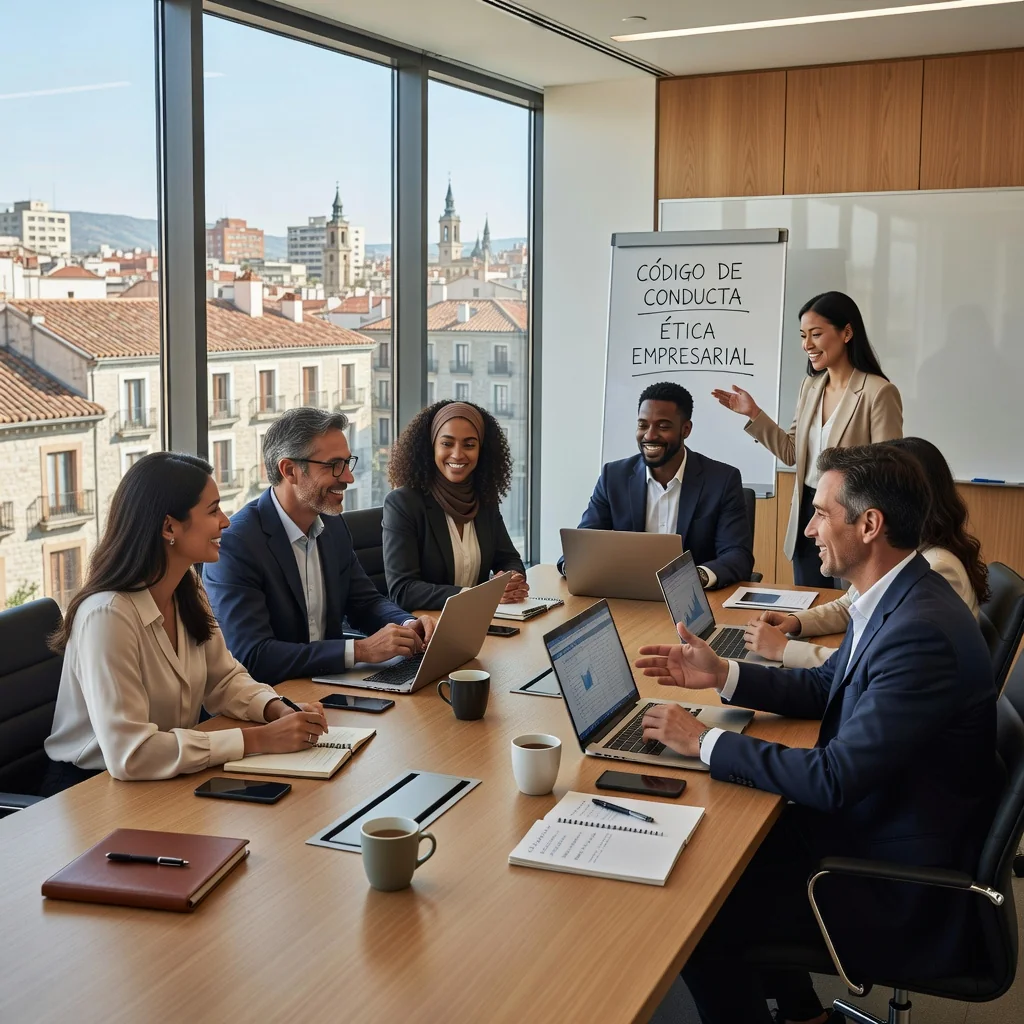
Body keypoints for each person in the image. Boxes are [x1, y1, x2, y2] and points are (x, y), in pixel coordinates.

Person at [634, 444, 998, 1024]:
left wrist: (701, 741)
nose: (808, 529)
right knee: (711, 856)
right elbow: (828, 685)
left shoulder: (920, 630)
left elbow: (833, 779)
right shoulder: (899, 594)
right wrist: (721, 673)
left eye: (822, 513)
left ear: (870, 525)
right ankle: (807, 1015)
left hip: (895, 882)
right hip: (876, 825)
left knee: (697, 917)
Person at [42, 453, 328, 792]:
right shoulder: (107, 615)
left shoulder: (186, 586)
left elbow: (223, 680)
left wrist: (278, 710)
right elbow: (131, 753)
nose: (226, 522)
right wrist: (259, 739)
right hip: (92, 790)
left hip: (167, 775)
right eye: (212, 511)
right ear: (169, 527)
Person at [204, 408, 435, 686]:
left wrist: (408, 625)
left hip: (328, 688)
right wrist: (360, 650)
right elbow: (253, 656)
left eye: (347, 463)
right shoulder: (237, 544)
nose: (348, 477)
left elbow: (365, 602)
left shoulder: (332, 525)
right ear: (289, 470)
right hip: (271, 701)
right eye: (334, 465)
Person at [744, 436, 990, 667]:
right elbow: (850, 604)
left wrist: (785, 650)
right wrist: (796, 622)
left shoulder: (935, 568)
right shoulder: (904, 554)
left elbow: (873, 664)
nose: (810, 530)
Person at [712, 291, 903, 586]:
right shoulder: (810, 387)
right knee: (810, 604)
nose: (807, 345)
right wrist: (754, 414)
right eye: (803, 336)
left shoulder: (877, 392)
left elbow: (889, 472)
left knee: (844, 609)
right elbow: (791, 453)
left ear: (847, 332)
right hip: (808, 514)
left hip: (851, 517)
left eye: (816, 334)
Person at [560, 381, 754, 589]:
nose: (650, 435)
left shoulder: (722, 480)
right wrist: (573, 565)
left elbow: (737, 555)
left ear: (686, 429)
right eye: (643, 425)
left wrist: (695, 578)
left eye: (663, 426)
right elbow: (584, 545)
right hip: (626, 597)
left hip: (693, 603)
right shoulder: (613, 477)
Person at [383, 400, 528, 610]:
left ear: (481, 450)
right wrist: (478, 595)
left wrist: (511, 578)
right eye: (447, 443)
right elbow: (403, 590)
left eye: (469, 445)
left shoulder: (484, 499)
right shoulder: (404, 503)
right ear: (431, 446)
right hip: (426, 629)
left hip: (479, 621)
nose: (458, 454)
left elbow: (508, 558)